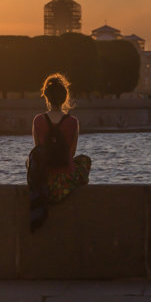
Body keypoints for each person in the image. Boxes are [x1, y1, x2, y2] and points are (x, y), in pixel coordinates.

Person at [27, 73, 91, 232]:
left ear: (47, 98)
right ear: (64, 98)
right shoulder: (73, 122)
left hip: (45, 185)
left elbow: (38, 151)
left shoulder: (38, 120)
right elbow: (71, 153)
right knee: (84, 160)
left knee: (30, 161)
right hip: (65, 184)